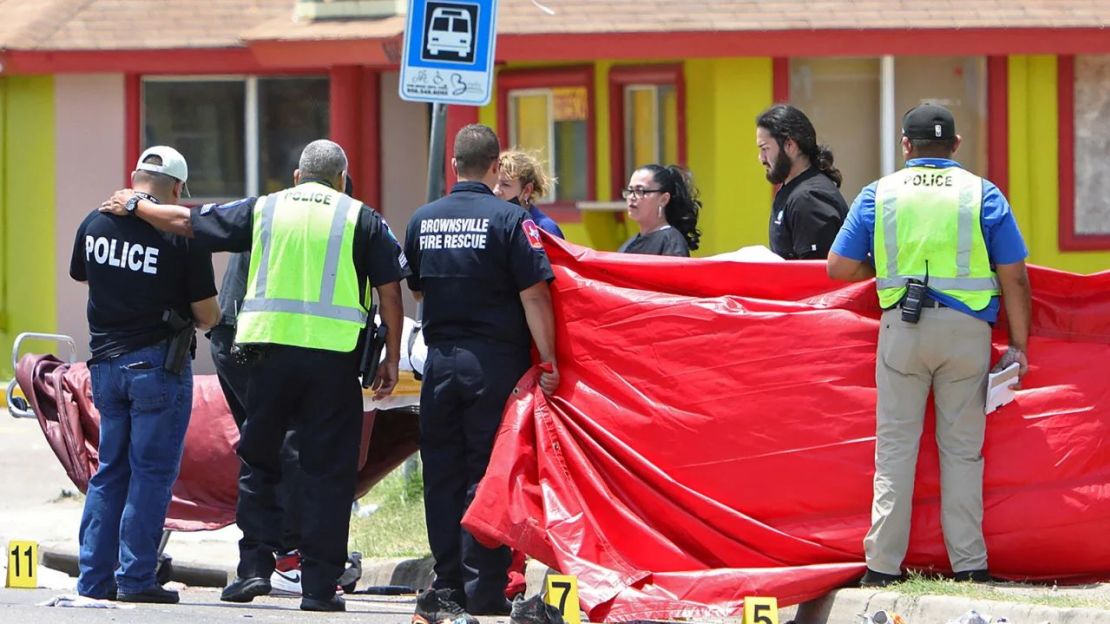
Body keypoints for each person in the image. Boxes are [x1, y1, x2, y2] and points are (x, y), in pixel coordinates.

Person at [101, 139, 407, 612]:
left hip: (269, 358)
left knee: (260, 460)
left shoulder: (267, 208)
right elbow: (390, 292)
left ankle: (253, 571)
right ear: (341, 179)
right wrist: (388, 356)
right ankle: (320, 588)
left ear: (299, 177)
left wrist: (137, 203)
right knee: (328, 472)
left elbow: (187, 222)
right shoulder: (361, 217)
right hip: (334, 362)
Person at [827, 103, 1032, 587]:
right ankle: (969, 566)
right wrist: (1019, 345)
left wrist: (882, 270)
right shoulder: (983, 193)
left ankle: (881, 568)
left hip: (903, 328)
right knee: (962, 452)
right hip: (967, 334)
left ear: (905, 146)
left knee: (895, 450)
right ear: (956, 146)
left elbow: (837, 267)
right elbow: (1016, 278)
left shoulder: (881, 193)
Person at [404, 124, 559, 622]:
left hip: (440, 362)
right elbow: (535, 294)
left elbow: (419, 290)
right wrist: (550, 359)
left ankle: (447, 583)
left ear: (453, 166)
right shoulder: (513, 220)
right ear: (495, 168)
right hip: (495, 365)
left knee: (442, 475)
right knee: (489, 475)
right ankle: (485, 589)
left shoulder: (422, 219)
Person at [70, 146, 220, 604]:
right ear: (176, 189)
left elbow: (83, 275)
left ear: (135, 178)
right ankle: (136, 579)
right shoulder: (182, 237)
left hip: (106, 369)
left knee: (110, 472)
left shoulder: (94, 222)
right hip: (155, 367)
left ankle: (94, 579)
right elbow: (208, 315)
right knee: (151, 474)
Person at [206, 175, 359, 597]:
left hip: (237, 339)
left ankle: (259, 561)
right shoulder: (313, 218)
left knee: (262, 453)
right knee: (291, 453)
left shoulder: (268, 208)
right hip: (260, 344)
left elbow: (197, 228)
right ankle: (290, 558)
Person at [756, 104, 849, 259]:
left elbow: (816, 274)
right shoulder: (793, 191)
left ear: (790, 145)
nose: (761, 158)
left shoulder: (808, 198)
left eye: (765, 148)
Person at [617, 164, 701, 257]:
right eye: (630, 191)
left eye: (640, 191)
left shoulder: (671, 242)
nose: (632, 197)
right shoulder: (630, 243)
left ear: (664, 199)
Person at [494, 149, 564, 238]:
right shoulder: (488, 223)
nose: (496, 191)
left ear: (527, 190)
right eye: (493, 183)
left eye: (505, 184)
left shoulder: (545, 229)